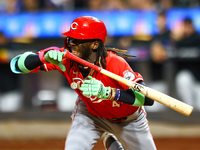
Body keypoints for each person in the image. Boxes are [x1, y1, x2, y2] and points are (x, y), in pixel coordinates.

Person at [10, 16, 156, 150]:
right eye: (70, 38)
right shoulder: (65, 58)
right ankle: (109, 139)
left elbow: (147, 98)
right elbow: (16, 65)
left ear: (94, 45)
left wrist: (109, 93)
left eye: (78, 40)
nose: (71, 43)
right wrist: (43, 57)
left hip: (129, 120)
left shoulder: (115, 63)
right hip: (91, 115)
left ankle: (111, 142)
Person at [171, 17, 200, 111]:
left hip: (198, 80)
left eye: (187, 26)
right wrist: (175, 40)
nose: (186, 29)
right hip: (189, 79)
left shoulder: (197, 38)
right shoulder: (180, 41)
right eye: (184, 26)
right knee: (182, 79)